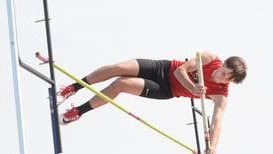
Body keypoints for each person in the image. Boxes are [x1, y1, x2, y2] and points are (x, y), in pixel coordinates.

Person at [57, 51, 247, 154]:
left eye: (227, 80)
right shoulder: (209, 58)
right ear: (224, 64)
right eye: (223, 73)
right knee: (119, 67)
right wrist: (193, 88)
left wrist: (212, 148)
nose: (221, 79)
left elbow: (217, 121)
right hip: (163, 68)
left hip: (165, 89)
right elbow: (179, 71)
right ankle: (73, 88)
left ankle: (78, 113)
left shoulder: (221, 94)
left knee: (121, 84)